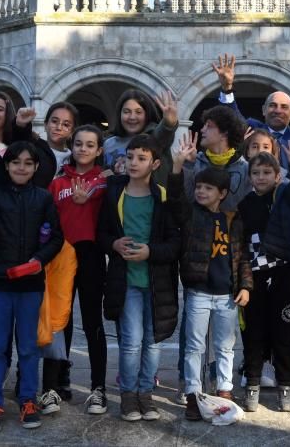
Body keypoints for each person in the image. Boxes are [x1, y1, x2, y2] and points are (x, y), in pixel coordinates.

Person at [0, 138, 64, 434]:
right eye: (16, 162)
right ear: (7, 165)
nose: (22, 167)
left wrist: (39, 259)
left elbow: (56, 237)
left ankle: (28, 400)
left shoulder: (43, 198)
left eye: (28, 163)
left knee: (28, 348)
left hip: (31, 286)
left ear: (36, 167)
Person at [97, 134, 184, 422]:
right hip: (126, 281)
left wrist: (150, 251)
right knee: (131, 341)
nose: (133, 162)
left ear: (155, 163)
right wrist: (113, 244)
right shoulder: (114, 193)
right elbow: (101, 233)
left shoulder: (162, 197)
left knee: (153, 340)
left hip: (158, 282)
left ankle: (146, 394)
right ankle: (129, 395)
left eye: (141, 158)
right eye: (130, 156)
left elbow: (174, 243)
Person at [174, 137, 253, 420]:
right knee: (194, 346)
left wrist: (245, 285)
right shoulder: (190, 215)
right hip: (198, 292)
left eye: (208, 188)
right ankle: (194, 394)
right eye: (198, 187)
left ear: (222, 193)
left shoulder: (232, 219)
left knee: (226, 346)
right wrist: (179, 165)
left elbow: (242, 255)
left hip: (227, 296)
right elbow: (175, 196)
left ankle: (224, 389)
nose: (201, 192)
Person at [237, 140, 290, 412]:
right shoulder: (246, 205)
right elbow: (241, 243)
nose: (261, 177)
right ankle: (253, 383)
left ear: (278, 176)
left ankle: (285, 386)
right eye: (256, 173)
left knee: (282, 333)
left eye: (267, 172)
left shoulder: (286, 196)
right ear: (250, 176)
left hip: (282, 277)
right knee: (254, 333)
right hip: (254, 278)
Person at [44, 124, 109, 415]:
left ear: (99, 150)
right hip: (61, 256)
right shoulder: (58, 182)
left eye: (89, 144)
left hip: (92, 254)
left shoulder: (106, 180)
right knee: (59, 321)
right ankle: (54, 386)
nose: (83, 149)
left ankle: (98, 389)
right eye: (79, 144)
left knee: (93, 321)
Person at [103, 89, 179, 183]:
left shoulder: (154, 139)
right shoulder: (108, 143)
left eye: (138, 112)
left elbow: (163, 134)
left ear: (147, 114)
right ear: (120, 114)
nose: (132, 117)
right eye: (127, 112)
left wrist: (168, 124)